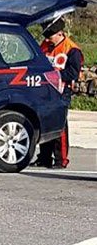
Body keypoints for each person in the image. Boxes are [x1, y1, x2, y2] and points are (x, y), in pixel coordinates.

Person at [34, 17, 83, 169]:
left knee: (59, 126)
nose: (48, 39)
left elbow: (73, 73)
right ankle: (44, 157)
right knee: (44, 123)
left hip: (61, 91)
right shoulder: (45, 46)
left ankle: (61, 159)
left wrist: (55, 75)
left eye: (51, 35)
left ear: (60, 33)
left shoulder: (72, 50)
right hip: (44, 90)